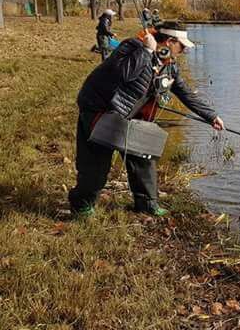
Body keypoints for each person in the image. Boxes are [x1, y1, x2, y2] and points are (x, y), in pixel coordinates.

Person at [68, 21, 224, 218]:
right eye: (182, 46)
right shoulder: (132, 47)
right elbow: (123, 74)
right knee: (96, 166)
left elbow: (185, 93)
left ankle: (146, 204)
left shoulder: (169, 65)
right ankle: (81, 205)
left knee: (144, 157)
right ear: (169, 41)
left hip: (134, 115)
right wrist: (146, 51)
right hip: (100, 109)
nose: (184, 50)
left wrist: (211, 116)